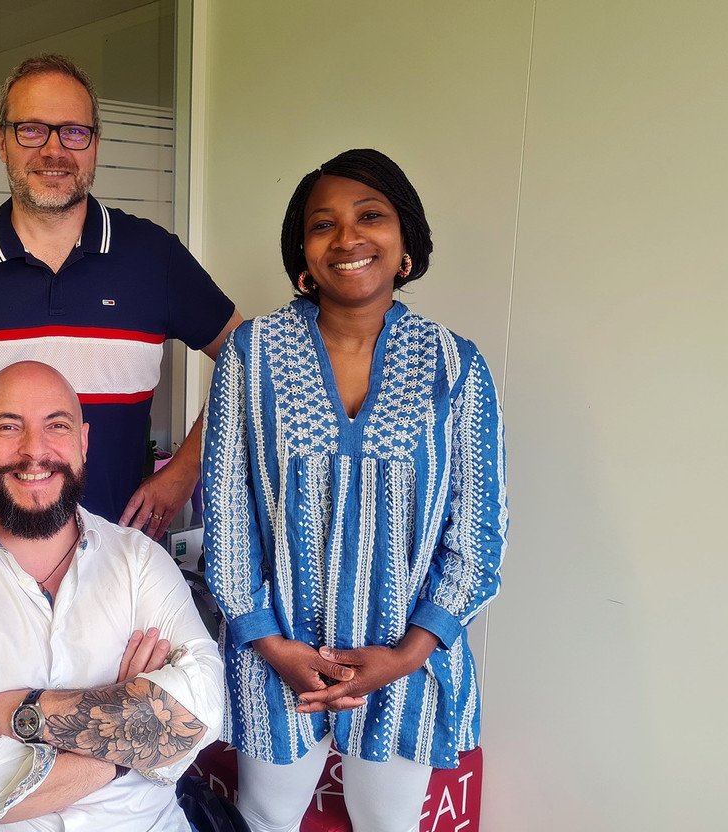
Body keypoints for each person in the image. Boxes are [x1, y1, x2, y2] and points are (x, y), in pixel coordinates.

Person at [202, 149, 507, 832]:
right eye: (323, 224)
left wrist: (405, 656)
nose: (347, 237)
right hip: (276, 655)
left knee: (388, 825)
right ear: (303, 256)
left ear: (405, 246)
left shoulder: (455, 366)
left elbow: (479, 532)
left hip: (405, 659)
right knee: (264, 818)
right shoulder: (251, 357)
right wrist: (270, 643)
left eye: (370, 216)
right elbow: (224, 513)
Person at [0, 53, 240, 550]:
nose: (54, 150)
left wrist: (185, 470)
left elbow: (250, 360)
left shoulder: (154, 258)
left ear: (95, 146)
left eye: (74, 132)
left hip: (116, 569)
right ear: (2, 143)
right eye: (31, 130)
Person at [0, 361, 224, 830]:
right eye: (9, 427)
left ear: (82, 443)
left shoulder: (140, 562)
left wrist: (26, 714)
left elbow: (204, 709)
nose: (34, 450)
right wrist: (131, 747)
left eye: (56, 426)